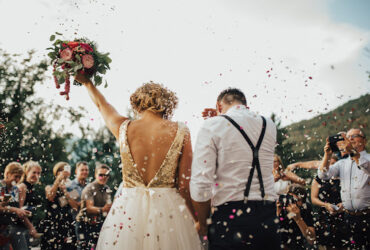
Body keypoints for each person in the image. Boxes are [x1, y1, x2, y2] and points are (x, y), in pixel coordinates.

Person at [74, 73, 201, 250]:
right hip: (169, 211)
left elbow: (101, 105)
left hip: (128, 210)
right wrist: (196, 219)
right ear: (166, 104)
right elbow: (185, 184)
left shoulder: (123, 127)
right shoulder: (180, 131)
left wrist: (87, 82)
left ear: (137, 103)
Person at [190, 88, 280, 249]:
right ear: (245, 104)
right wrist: (219, 118)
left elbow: (201, 184)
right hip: (268, 215)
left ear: (219, 106)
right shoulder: (269, 124)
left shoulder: (211, 126)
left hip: (229, 217)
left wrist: (202, 223)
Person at [318, 128, 370, 249]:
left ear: (365, 141)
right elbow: (323, 175)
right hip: (348, 217)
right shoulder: (342, 163)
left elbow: (366, 167)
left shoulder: (368, 158)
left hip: (367, 216)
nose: (350, 138)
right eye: (347, 136)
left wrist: (352, 152)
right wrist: (327, 155)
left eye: (354, 136)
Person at [311, 155, 345, 249]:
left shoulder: (343, 178)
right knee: (326, 244)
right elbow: (313, 198)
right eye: (328, 163)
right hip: (324, 216)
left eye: (333, 164)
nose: (330, 167)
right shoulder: (318, 178)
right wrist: (325, 205)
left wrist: (344, 204)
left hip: (343, 214)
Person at [40, 162, 77, 250]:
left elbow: (75, 206)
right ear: (56, 173)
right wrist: (58, 181)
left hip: (67, 223)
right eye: (61, 170)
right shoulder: (49, 186)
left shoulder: (72, 187)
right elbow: (50, 197)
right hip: (52, 223)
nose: (64, 173)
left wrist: (65, 192)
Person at [77, 164, 112, 249]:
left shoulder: (107, 188)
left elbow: (109, 205)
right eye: (101, 175)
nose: (103, 177)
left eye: (106, 175)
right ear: (95, 175)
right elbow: (89, 208)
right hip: (85, 224)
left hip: (98, 223)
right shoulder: (90, 188)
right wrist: (103, 209)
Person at [0, 162, 31, 250]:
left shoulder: (14, 189)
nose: (17, 179)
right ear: (7, 174)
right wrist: (15, 210)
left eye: (19, 177)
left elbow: (9, 206)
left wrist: (21, 211)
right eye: (15, 176)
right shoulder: (1, 186)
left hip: (11, 227)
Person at [277, 184, 316, 249]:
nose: (293, 203)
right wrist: (277, 213)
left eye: (297, 200)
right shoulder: (282, 206)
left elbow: (311, 239)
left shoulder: (305, 208)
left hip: (300, 243)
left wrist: (298, 219)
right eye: (291, 198)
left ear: (302, 202)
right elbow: (269, 236)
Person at [18, 160, 43, 246]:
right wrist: (30, 227)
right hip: (20, 227)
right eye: (34, 172)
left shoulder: (31, 188)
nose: (36, 175)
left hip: (26, 226)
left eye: (38, 173)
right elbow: (20, 210)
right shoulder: (22, 187)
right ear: (26, 172)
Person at [66, 161, 89, 248]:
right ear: (76, 171)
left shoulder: (90, 185)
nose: (84, 172)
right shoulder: (71, 185)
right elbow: (75, 204)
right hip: (74, 220)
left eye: (86, 170)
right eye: (82, 170)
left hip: (88, 221)